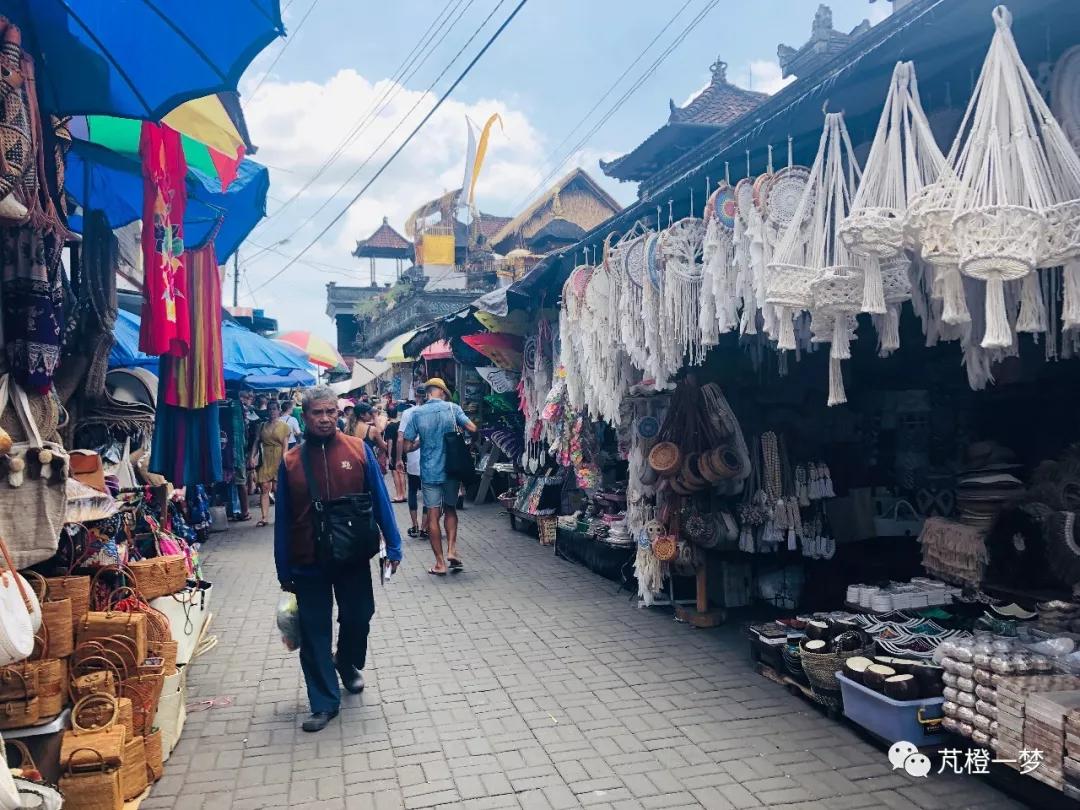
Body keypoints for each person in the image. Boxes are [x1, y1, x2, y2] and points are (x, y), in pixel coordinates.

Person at [274, 386, 402, 733]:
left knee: (360, 616)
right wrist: (283, 568)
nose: (326, 418)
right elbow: (283, 518)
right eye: (318, 412)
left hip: (352, 554)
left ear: (338, 413)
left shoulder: (358, 450)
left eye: (331, 411)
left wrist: (394, 545)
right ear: (306, 414)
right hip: (307, 558)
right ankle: (323, 701)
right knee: (314, 632)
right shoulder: (291, 462)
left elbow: (380, 499)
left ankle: (346, 662)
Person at [402, 378, 477, 575]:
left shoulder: (417, 413)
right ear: (442, 392)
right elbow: (473, 428)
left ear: (427, 393)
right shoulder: (452, 408)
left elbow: (407, 446)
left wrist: (420, 443)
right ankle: (452, 549)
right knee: (451, 509)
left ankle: (440, 563)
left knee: (433, 515)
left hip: (429, 471)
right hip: (451, 469)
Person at [254, 400, 289, 527]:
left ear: (279, 410)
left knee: (277, 489)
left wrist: (284, 461)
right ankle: (264, 517)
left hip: (279, 458)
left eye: (274, 409)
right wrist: (252, 457)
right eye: (270, 409)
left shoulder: (284, 427)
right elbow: (256, 443)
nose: (272, 411)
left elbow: (285, 446)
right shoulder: (262, 426)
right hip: (265, 458)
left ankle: (282, 516)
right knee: (264, 488)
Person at [397, 390, 427, 538]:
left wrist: (398, 458)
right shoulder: (436, 411)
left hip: (413, 459)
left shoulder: (408, 413)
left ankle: (414, 526)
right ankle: (424, 527)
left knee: (412, 491)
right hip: (431, 460)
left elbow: (400, 438)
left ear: (416, 396)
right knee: (430, 494)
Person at [384, 404, 406, 502]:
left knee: (395, 473)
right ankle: (404, 494)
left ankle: (398, 495)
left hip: (393, 450)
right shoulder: (401, 424)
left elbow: (390, 441)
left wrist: (389, 455)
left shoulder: (389, 426)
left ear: (388, 414)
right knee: (402, 472)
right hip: (402, 450)